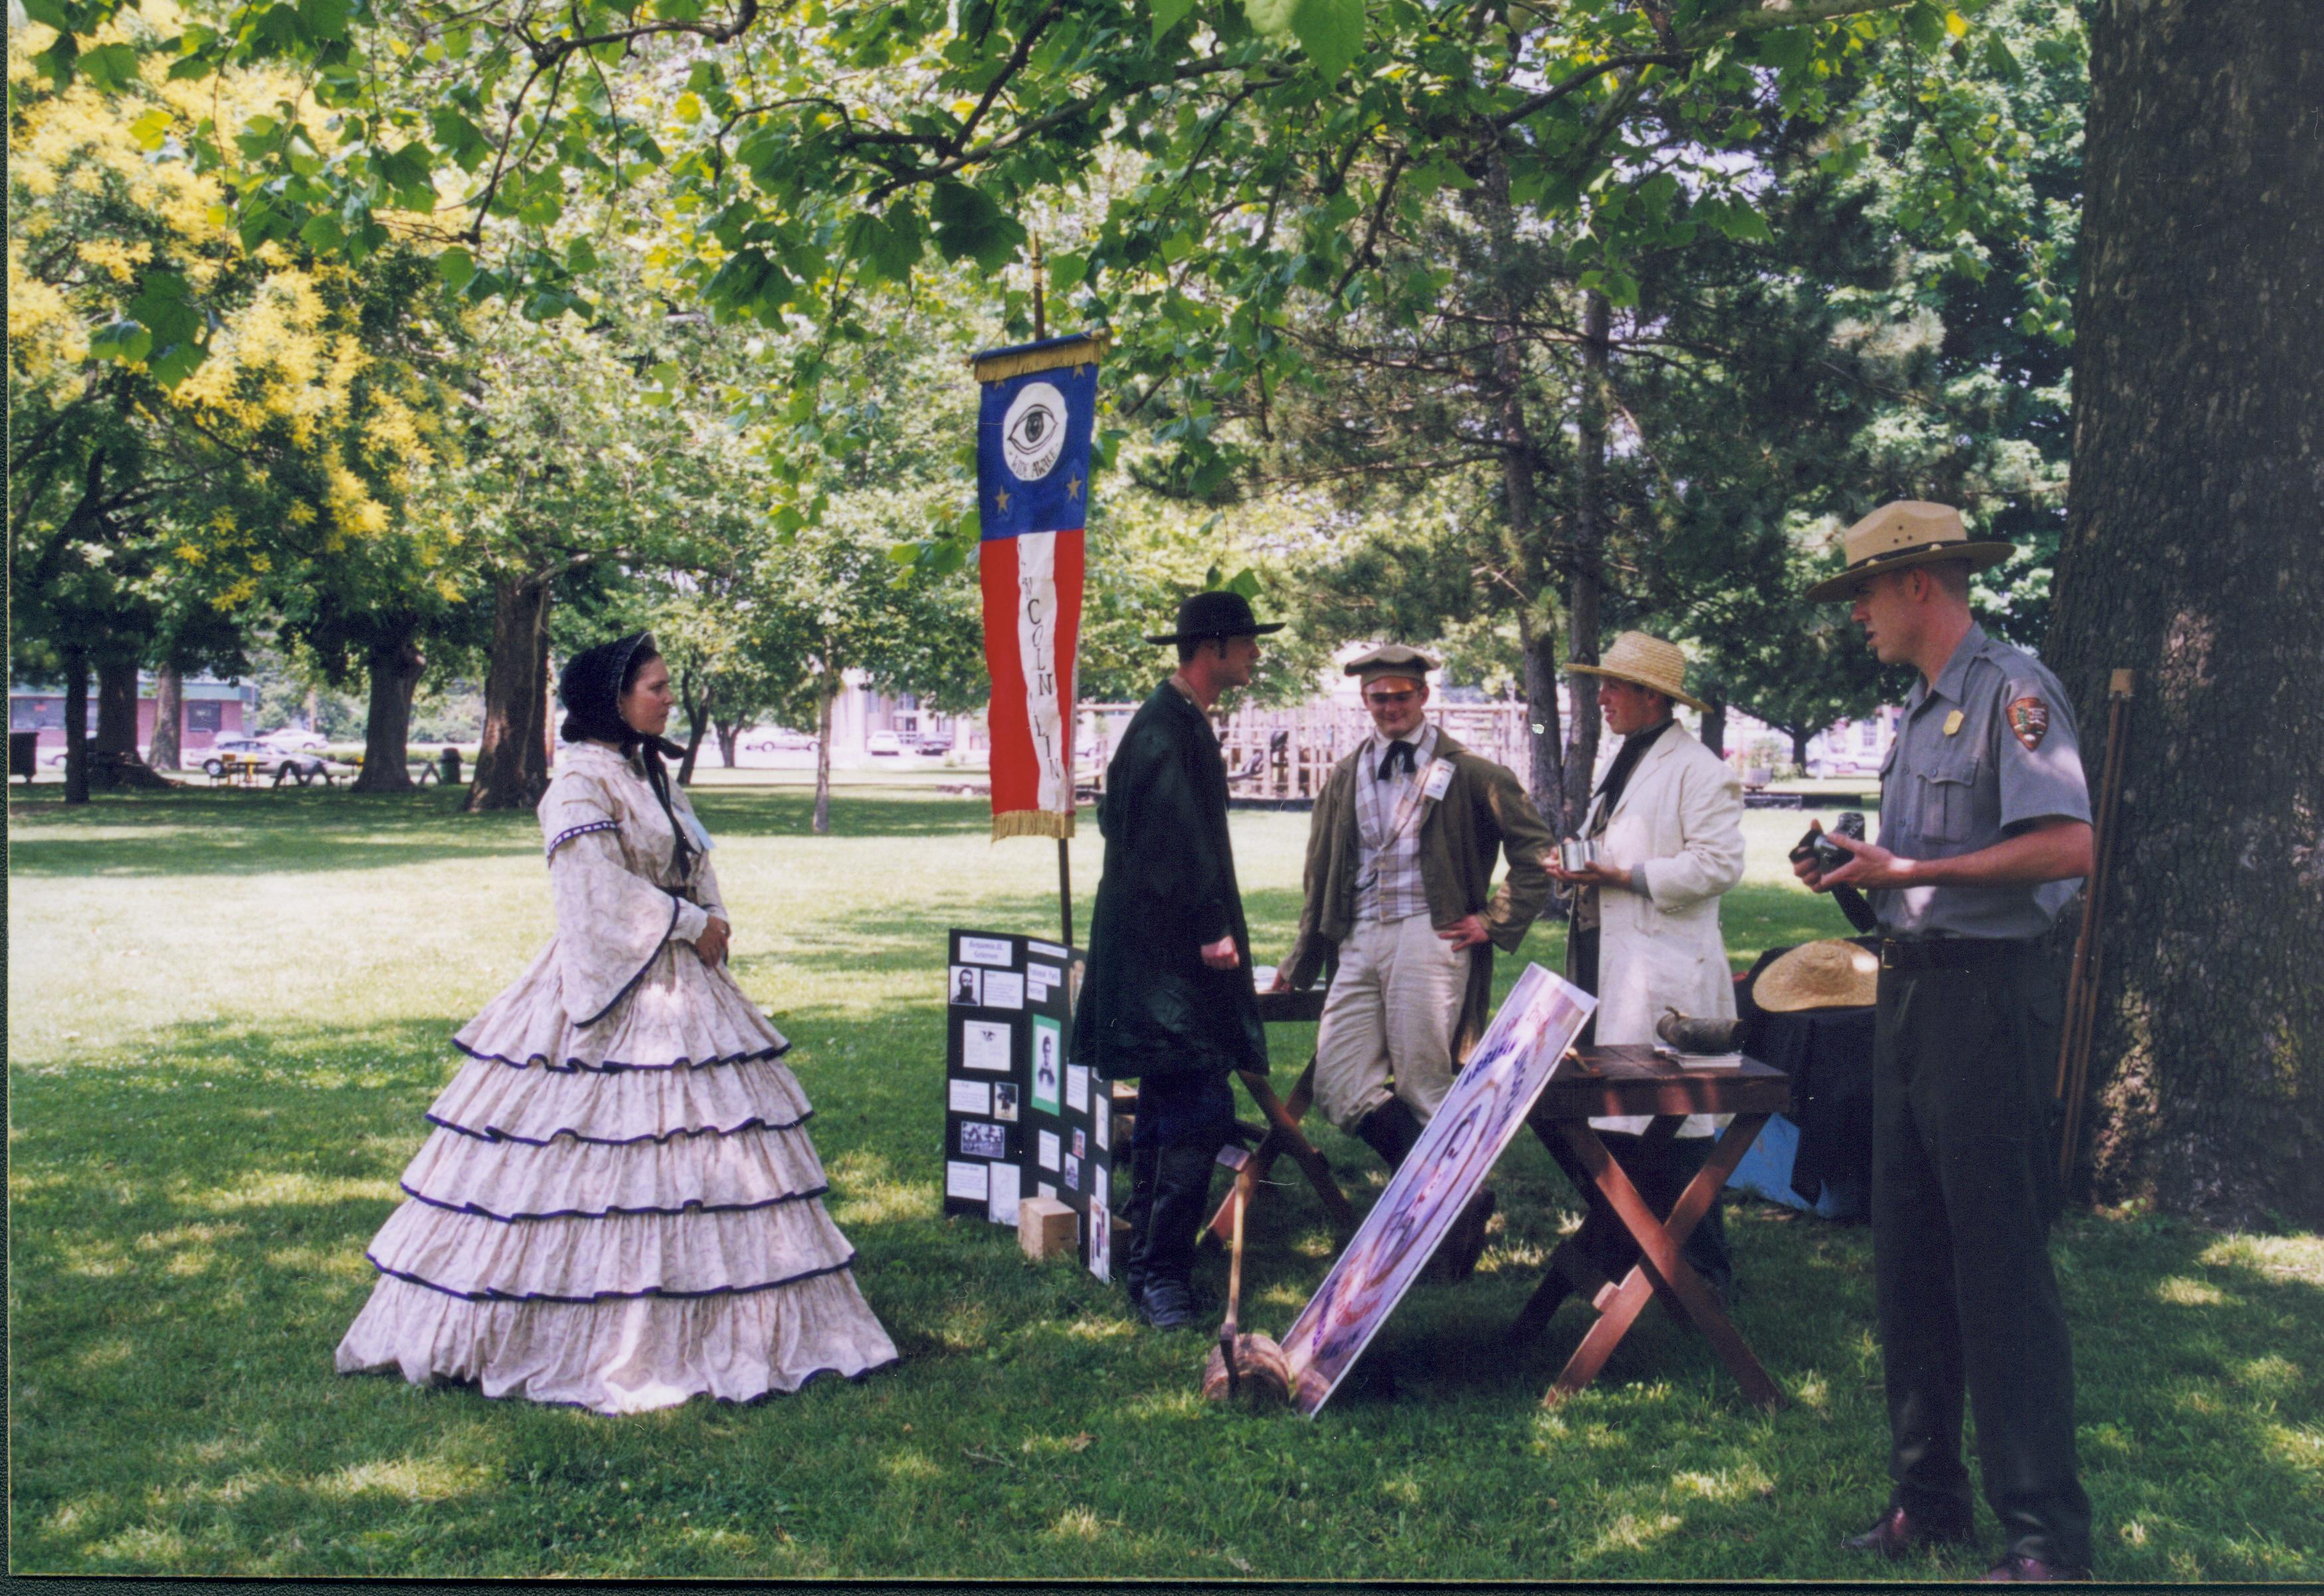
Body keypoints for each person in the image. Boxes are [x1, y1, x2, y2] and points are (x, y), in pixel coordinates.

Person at [336, 631, 898, 1413]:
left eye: (668, 686)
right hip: (616, 988)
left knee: (704, 1159)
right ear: (613, 698)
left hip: (682, 982)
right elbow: (592, 897)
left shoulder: (648, 773)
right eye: (656, 688)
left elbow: (694, 860)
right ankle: (585, 1334)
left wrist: (712, 919)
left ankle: (715, 1320)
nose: (669, 699)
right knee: (587, 1163)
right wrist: (682, 921)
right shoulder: (577, 785)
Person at [1796, 501, 2095, 1582]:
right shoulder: (1919, 715)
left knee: (2000, 1268)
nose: (1859, 616)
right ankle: (1929, 1503)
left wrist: (1912, 874)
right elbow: (1915, 875)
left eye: (1865, 594)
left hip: (1987, 1008)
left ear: (1920, 584)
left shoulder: (2013, 692)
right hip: (1912, 1003)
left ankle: (2044, 1539)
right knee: (1909, 1262)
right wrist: (1860, 870)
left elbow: (2068, 845)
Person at [1273, 643, 1556, 1280]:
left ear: (1423, 698)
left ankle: (1446, 1228)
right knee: (1339, 1083)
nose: (1391, 707)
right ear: (1365, 702)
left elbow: (1537, 854)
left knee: (1424, 1085)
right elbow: (1320, 873)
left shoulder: (1473, 771)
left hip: (1430, 939)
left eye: (1402, 696)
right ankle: (1461, 1196)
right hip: (1358, 937)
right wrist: (1301, 956)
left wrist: (1494, 920)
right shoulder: (1347, 774)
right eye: (1379, 698)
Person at [1074, 590, 1275, 1329]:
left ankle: (1149, 1262)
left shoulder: (1173, 723)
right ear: (1212, 648)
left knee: (1169, 1102)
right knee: (1197, 1108)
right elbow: (1164, 840)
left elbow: (1114, 815)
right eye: (1246, 641)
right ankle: (1163, 1275)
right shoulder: (1164, 728)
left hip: (1163, 956)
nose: (1255, 654)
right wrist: (1210, 925)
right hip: (1168, 965)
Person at [1544, 630, 1746, 1300]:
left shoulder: (1700, 769)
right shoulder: (1627, 760)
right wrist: (1583, 867)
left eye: (1611, 686)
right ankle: (1636, 1251)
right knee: (1620, 1122)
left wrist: (1625, 874)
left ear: (1651, 698)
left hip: (1669, 974)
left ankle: (1703, 1273)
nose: (1599, 697)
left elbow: (1718, 866)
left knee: (1678, 1122)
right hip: (1619, 964)